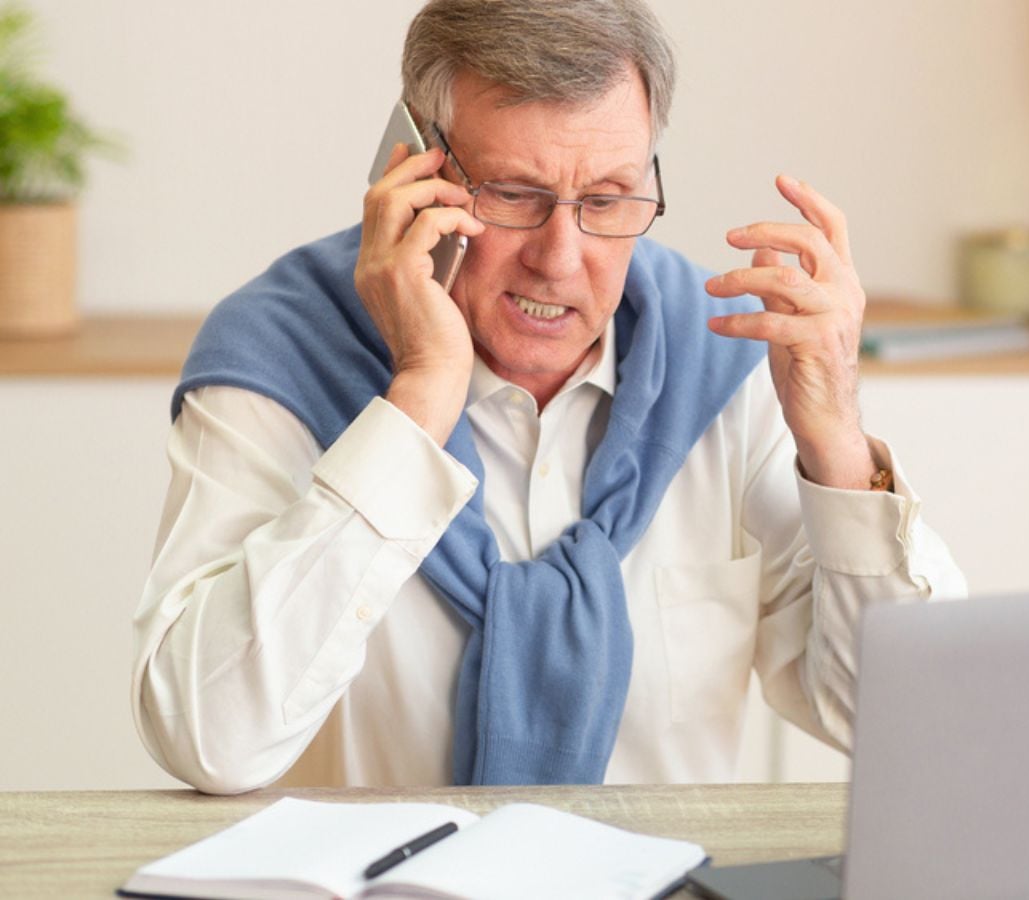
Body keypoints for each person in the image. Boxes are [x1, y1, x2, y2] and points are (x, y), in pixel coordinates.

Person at [132, 0, 965, 794]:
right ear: (415, 171)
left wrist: (839, 445)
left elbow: (915, 726)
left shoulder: (728, 361)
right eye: (515, 195)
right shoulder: (278, 356)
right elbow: (211, 740)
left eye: (606, 199)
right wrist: (418, 397)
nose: (561, 259)